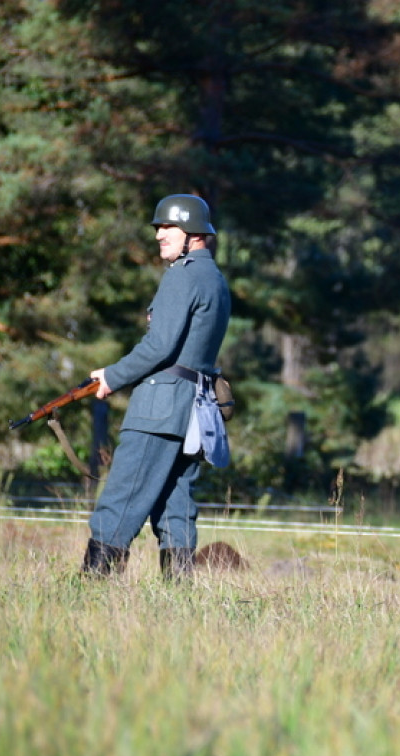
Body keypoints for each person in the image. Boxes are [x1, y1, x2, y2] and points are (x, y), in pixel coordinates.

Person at [80, 194, 231, 580]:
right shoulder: (214, 279)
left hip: (159, 407)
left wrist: (112, 376)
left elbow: (159, 346)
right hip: (193, 411)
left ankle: (93, 587)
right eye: (158, 227)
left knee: (121, 497)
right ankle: (178, 593)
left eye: (168, 227)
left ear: (193, 234)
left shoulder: (182, 274)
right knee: (176, 505)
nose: (159, 234)